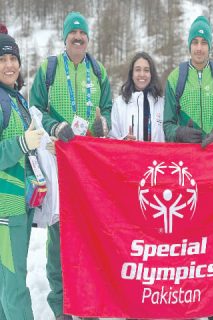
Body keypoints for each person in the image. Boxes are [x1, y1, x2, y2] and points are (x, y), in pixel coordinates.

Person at [30, 11, 112, 320]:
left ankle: (88, 303)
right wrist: (54, 126)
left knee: (89, 234)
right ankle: (62, 306)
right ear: (65, 38)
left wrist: (102, 122)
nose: (78, 39)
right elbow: (35, 106)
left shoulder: (98, 70)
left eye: (82, 35)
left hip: (88, 165)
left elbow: (107, 106)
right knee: (59, 233)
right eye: (73, 35)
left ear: (88, 40)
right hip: (57, 159)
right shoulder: (49, 69)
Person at [163, 15, 213, 320]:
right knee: (187, 238)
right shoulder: (174, 78)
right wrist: (179, 134)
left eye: (204, 42)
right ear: (188, 44)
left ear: (210, 46)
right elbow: (166, 125)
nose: (199, 47)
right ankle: (188, 299)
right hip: (186, 171)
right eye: (194, 41)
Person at [0, 34, 44, 320]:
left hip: (21, 204)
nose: (8, 65)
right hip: (6, 208)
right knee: (14, 285)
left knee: (7, 281)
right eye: (2, 60)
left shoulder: (15, 99)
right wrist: (22, 144)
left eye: (13, 58)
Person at [109, 51, 164, 142]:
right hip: (128, 155)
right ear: (132, 74)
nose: (142, 74)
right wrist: (124, 140)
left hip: (155, 155)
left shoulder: (161, 103)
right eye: (138, 70)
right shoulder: (119, 103)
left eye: (146, 70)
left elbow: (168, 139)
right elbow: (112, 138)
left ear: (151, 74)